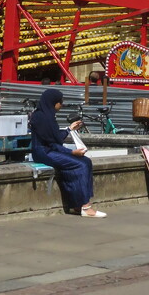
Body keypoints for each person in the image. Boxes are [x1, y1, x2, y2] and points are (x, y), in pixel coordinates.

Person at [29, 88, 106, 218]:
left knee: (86, 161)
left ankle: (78, 204)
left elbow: (55, 139)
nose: (62, 105)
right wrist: (71, 152)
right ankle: (85, 206)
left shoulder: (46, 115)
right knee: (80, 165)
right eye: (60, 102)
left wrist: (69, 129)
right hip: (44, 152)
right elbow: (52, 143)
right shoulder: (42, 118)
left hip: (48, 150)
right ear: (53, 103)